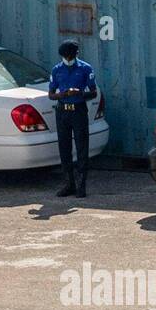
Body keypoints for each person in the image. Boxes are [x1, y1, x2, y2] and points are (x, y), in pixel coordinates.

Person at [48, 40, 97, 198]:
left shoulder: (85, 68)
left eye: (71, 55)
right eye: (66, 56)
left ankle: (81, 185)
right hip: (63, 111)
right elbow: (51, 95)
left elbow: (93, 92)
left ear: (76, 54)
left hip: (78, 110)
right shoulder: (57, 70)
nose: (68, 58)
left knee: (82, 147)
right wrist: (62, 95)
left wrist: (79, 93)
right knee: (64, 147)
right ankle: (69, 184)